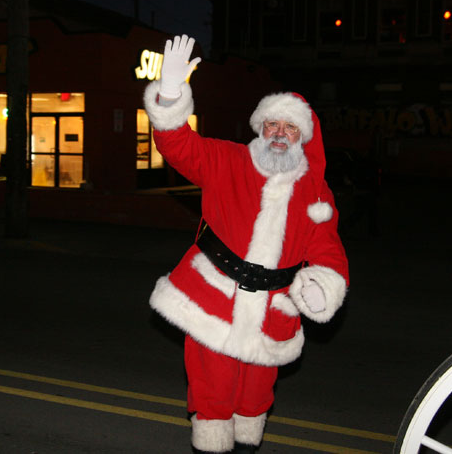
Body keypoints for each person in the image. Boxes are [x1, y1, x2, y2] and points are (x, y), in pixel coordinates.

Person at [144, 35, 349, 454]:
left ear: (302, 137)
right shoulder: (227, 160)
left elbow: (328, 249)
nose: (279, 133)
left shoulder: (316, 192)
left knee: (254, 402)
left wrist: (322, 284)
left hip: (274, 312)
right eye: (272, 124)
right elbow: (176, 144)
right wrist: (169, 94)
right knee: (212, 396)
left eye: (290, 127)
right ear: (260, 128)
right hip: (212, 300)